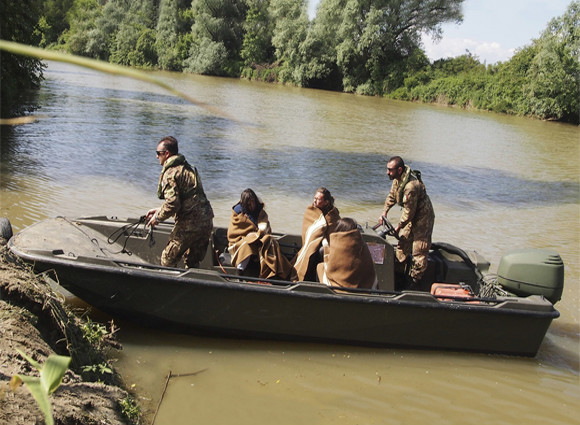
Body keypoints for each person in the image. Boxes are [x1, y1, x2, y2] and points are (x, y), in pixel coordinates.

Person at [145, 136, 214, 268]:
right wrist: (159, 209)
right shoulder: (189, 169)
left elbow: (173, 204)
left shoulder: (170, 173)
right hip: (206, 221)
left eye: (158, 153)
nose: (156, 156)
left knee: (167, 259)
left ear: (167, 154)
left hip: (190, 224)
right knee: (192, 261)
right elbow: (188, 199)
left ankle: (167, 281)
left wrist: (158, 218)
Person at [380, 155, 435, 287]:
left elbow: (408, 212)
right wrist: (384, 212)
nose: (387, 173)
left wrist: (399, 227)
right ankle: (398, 276)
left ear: (399, 170)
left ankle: (414, 282)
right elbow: (392, 196)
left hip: (423, 218)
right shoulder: (398, 180)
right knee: (402, 243)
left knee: (419, 249)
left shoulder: (410, 187)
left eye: (390, 170)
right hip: (411, 216)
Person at [227, 188, 295, 280]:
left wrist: (257, 235)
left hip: (259, 240)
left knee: (271, 243)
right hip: (240, 241)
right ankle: (240, 272)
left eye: (253, 203)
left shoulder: (260, 212)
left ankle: (275, 273)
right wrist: (250, 237)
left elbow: (264, 226)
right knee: (246, 247)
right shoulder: (238, 213)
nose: (252, 206)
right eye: (249, 204)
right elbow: (235, 232)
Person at [292, 187, 341, 281]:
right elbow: (308, 231)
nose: (314, 201)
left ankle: (319, 278)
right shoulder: (310, 211)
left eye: (318, 199)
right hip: (311, 242)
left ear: (326, 202)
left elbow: (334, 233)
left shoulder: (333, 214)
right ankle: (304, 277)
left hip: (327, 244)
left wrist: (323, 239)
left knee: (321, 251)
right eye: (314, 198)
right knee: (311, 251)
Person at [316, 218, 377, 289]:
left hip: (338, 287)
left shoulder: (338, 244)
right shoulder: (362, 245)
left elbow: (332, 267)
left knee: (320, 267)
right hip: (364, 286)